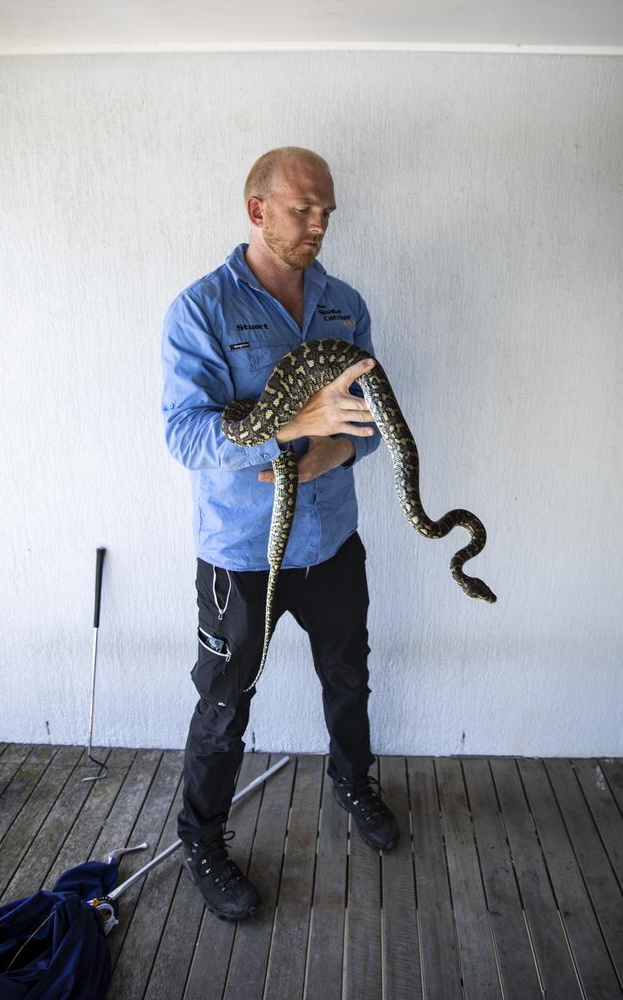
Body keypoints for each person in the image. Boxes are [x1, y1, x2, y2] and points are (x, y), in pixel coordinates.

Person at [161, 146, 399, 921]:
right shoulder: (200, 310)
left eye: (327, 208)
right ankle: (200, 836)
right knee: (226, 703)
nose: (320, 221)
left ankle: (354, 784)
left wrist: (337, 447)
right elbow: (187, 437)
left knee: (349, 678)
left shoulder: (345, 304)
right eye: (304, 207)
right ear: (257, 209)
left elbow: (371, 422)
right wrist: (292, 428)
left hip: (332, 542)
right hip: (241, 553)